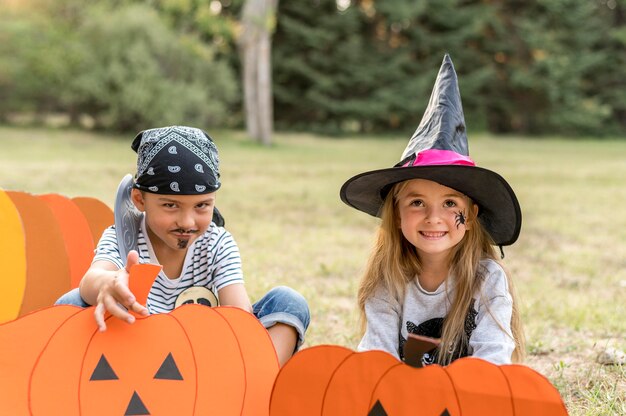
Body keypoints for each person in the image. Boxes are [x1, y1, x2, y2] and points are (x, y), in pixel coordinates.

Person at [56, 125, 309, 366]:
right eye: (170, 205)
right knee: (72, 302)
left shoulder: (217, 243)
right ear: (139, 199)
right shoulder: (124, 237)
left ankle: (256, 388)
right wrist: (109, 284)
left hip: (201, 358)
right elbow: (92, 280)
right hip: (135, 355)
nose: (187, 222)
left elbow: (238, 318)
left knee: (288, 302)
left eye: (202, 205)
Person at [339, 55, 525, 366]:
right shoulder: (388, 279)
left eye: (450, 203)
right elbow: (376, 359)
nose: (433, 217)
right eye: (416, 202)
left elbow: (493, 361)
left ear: (471, 216)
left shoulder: (486, 279)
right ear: (397, 214)